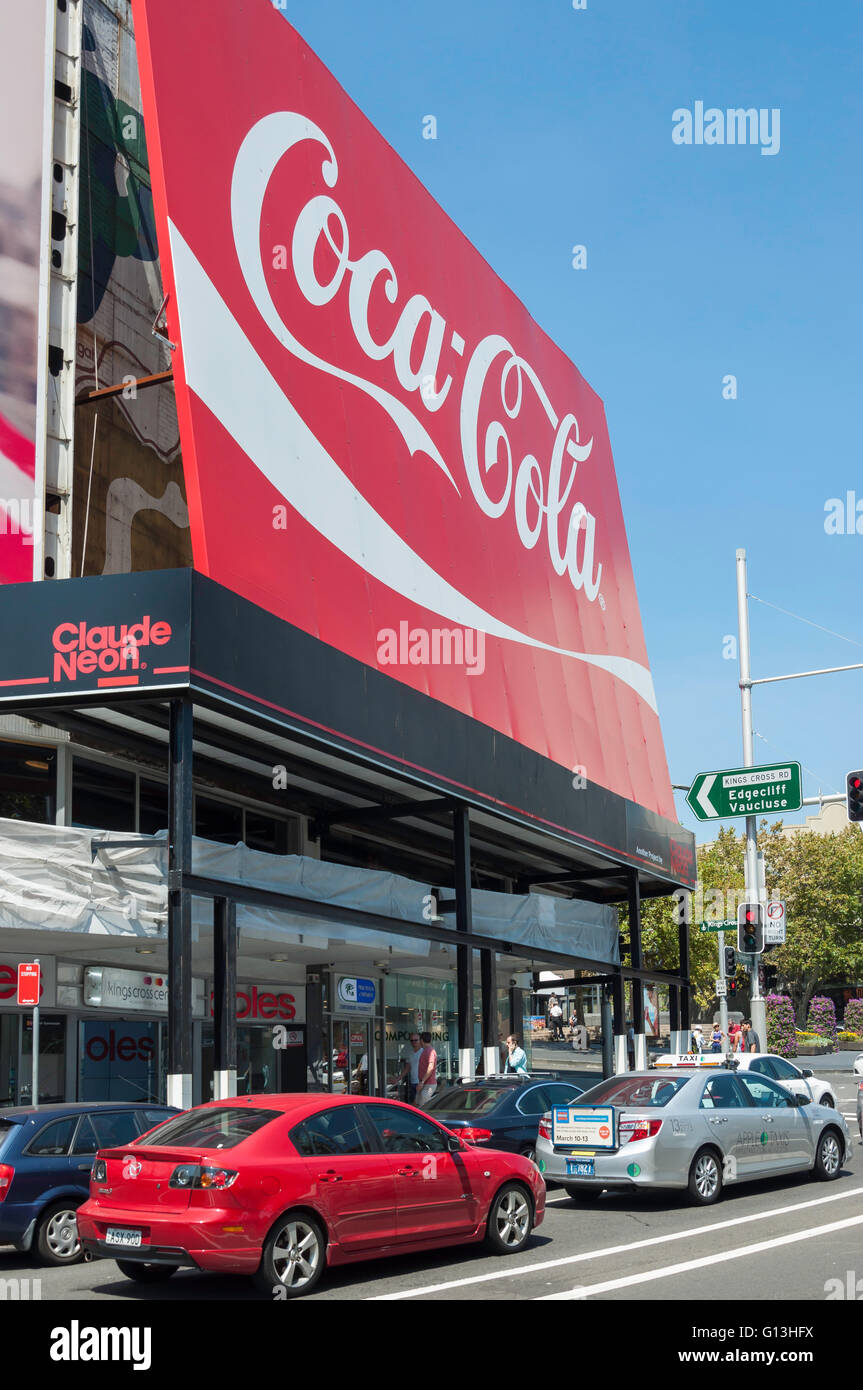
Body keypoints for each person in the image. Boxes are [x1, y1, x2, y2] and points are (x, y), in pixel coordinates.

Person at [415, 1031, 438, 1107]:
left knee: (424, 1108)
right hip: (424, 1084)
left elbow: (430, 1068)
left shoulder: (430, 1051)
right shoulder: (426, 1050)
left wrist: (422, 1082)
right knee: (417, 1105)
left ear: (421, 1040)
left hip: (428, 1084)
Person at [399, 1032, 422, 1103]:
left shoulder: (424, 1052)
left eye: (416, 1040)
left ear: (420, 1040)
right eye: (412, 1040)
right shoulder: (410, 1053)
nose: (413, 1042)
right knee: (414, 1103)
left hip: (421, 1083)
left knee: (420, 1104)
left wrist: (423, 1082)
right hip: (413, 1082)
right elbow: (407, 1068)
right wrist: (398, 1078)